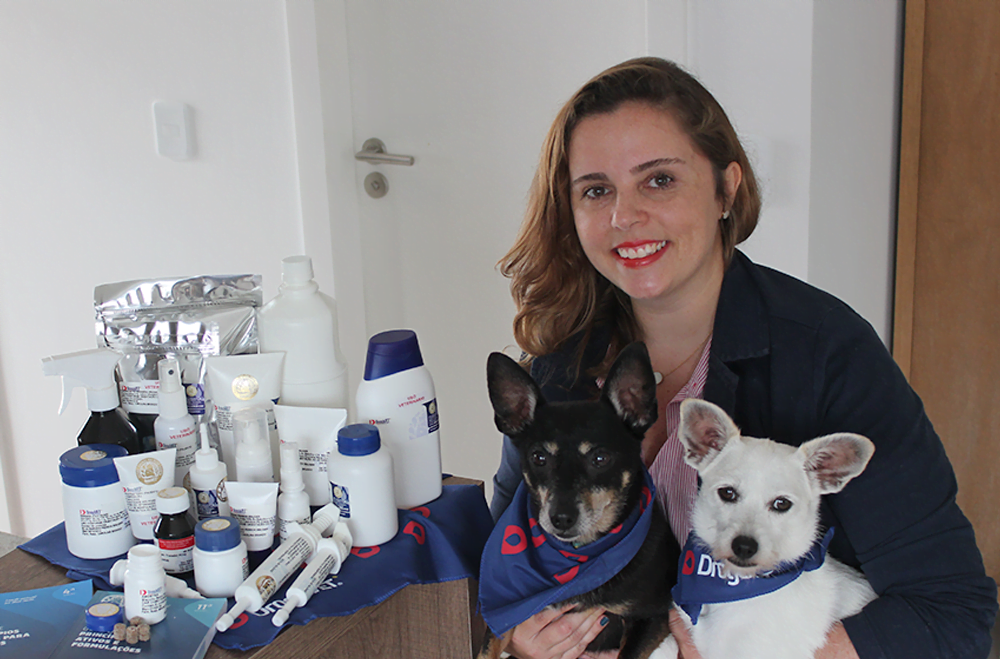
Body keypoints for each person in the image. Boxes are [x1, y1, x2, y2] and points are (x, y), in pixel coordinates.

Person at [489, 57, 997, 659]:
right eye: (596, 190)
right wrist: (519, 636)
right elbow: (502, 550)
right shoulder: (561, 361)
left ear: (726, 189)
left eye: (659, 180)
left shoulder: (827, 354)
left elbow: (953, 612)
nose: (624, 216)